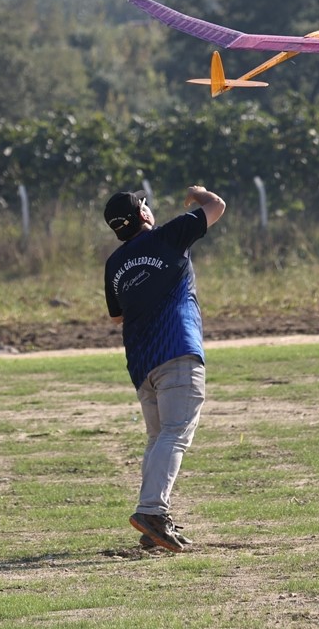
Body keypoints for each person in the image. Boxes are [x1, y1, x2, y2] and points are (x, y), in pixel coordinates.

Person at [103, 184, 225, 553]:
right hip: (177, 351)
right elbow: (216, 206)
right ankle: (151, 512)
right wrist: (197, 193)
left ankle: (154, 522)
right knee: (175, 433)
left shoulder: (114, 263)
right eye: (144, 204)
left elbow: (117, 315)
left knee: (159, 439)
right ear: (143, 215)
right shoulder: (168, 236)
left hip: (142, 363)